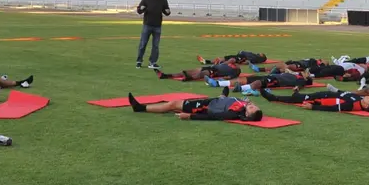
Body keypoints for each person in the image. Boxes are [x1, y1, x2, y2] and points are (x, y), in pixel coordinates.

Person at [126, 89, 263, 121]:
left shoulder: (234, 113)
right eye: (254, 106)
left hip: (204, 106)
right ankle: (142, 108)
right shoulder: (243, 106)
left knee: (173, 104)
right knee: (173, 106)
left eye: (251, 108)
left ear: (246, 114)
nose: (252, 105)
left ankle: (140, 108)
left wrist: (190, 116)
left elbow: (213, 116)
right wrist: (223, 96)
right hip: (214, 101)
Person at [260, 86, 369, 113]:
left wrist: (313, 107)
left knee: (297, 99)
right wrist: (335, 90)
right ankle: (297, 94)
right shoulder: (359, 99)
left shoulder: (351, 105)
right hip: (325, 94)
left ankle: (273, 98)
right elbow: (343, 93)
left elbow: (331, 108)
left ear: (366, 106)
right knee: (299, 97)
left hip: (320, 99)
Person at [136, 0, 171, 70]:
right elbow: (139, 11)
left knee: (155, 45)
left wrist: (168, 11)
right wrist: (141, 9)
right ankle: (139, 61)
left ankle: (152, 62)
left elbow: (166, 12)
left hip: (157, 26)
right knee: (143, 44)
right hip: (147, 25)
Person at [205, 71, 313, 95]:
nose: (306, 72)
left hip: (276, 81)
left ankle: (241, 89)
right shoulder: (296, 74)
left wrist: (297, 89)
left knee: (258, 82)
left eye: (307, 74)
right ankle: (217, 84)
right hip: (271, 76)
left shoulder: (301, 80)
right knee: (245, 79)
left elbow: (300, 85)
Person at [156, 61, 240, 82]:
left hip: (215, 71)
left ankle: (190, 78)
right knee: (187, 71)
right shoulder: (230, 63)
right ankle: (165, 75)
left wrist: (224, 78)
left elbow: (231, 77)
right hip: (211, 67)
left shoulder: (236, 70)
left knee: (201, 74)